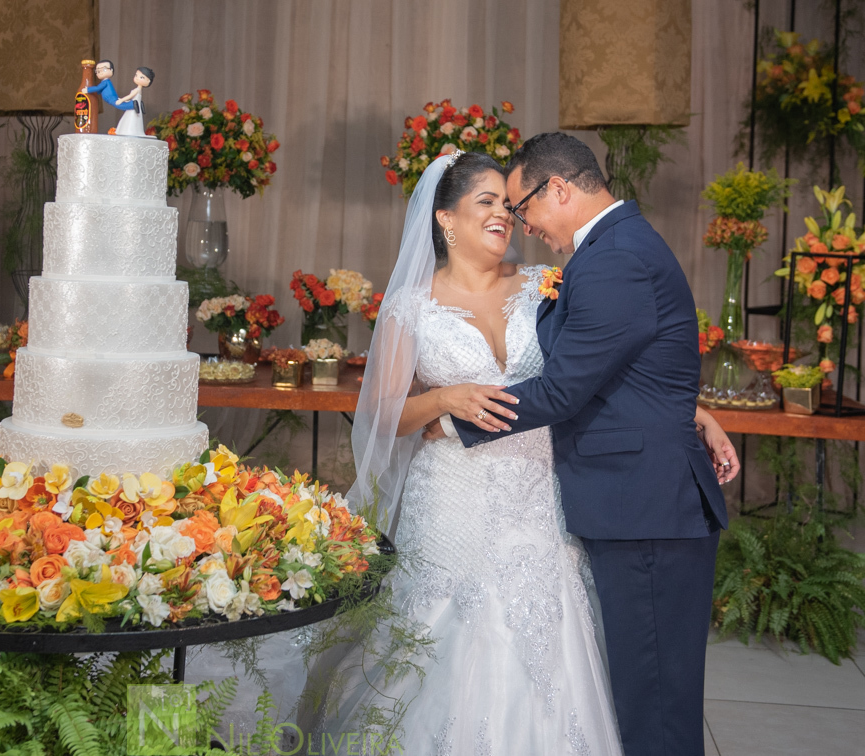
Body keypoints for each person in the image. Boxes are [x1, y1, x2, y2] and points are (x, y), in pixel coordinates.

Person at [305, 149, 738, 754]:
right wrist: (443, 402)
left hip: (542, 493)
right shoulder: (410, 306)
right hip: (454, 497)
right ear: (445, 220)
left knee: (570, 642)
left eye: (511, 205)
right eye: (487, 202)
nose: (507, 217)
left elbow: (597, 368)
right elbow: (381, 414)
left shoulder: (545, 284)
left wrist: (691, 413)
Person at [429, 133, 734, 756]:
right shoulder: (612, 248)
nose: (523, 224)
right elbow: (627, 368)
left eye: (523, 207)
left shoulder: (612, 256)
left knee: (655, 702)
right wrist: (691, 410)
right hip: (636, 500)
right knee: (647, 692)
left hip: (646, 505)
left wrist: (457, 418)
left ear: (559, 189)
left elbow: (565, 389)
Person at [114, 66, 154, 137]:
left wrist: (121, 100)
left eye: (141, 77)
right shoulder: (139, 90)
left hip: (133, 107)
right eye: (136, 75)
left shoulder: (137, 90)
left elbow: (130, 96)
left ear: (148, 82)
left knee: (131, 119)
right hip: (135, 106)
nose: (137, 78)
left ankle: (129, 131)